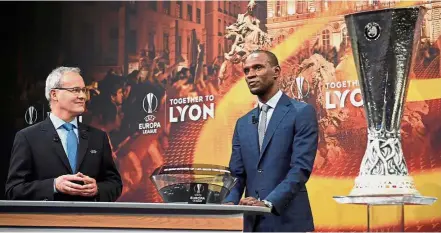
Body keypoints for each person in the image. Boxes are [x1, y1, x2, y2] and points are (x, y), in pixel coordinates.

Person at [223, 50, 318, 232]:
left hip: (289, 222)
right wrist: (230, 202)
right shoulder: (242, 123)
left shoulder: (302, 112)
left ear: (276, 71)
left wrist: (267, 203)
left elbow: (300, 169)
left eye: (258, 67)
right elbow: (236, 175)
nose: (251, 74)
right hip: (252, 224)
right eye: (247, 70)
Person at [5, 67, 122, 202]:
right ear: (54, 94)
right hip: (47, 220)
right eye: (75, 90)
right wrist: (54, 185)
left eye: (84, 90)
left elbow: (115, 184)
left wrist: (98, 189)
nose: (83, 96)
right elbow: (13, 190)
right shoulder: (28, 137)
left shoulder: (98, 137)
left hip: (88, 220)